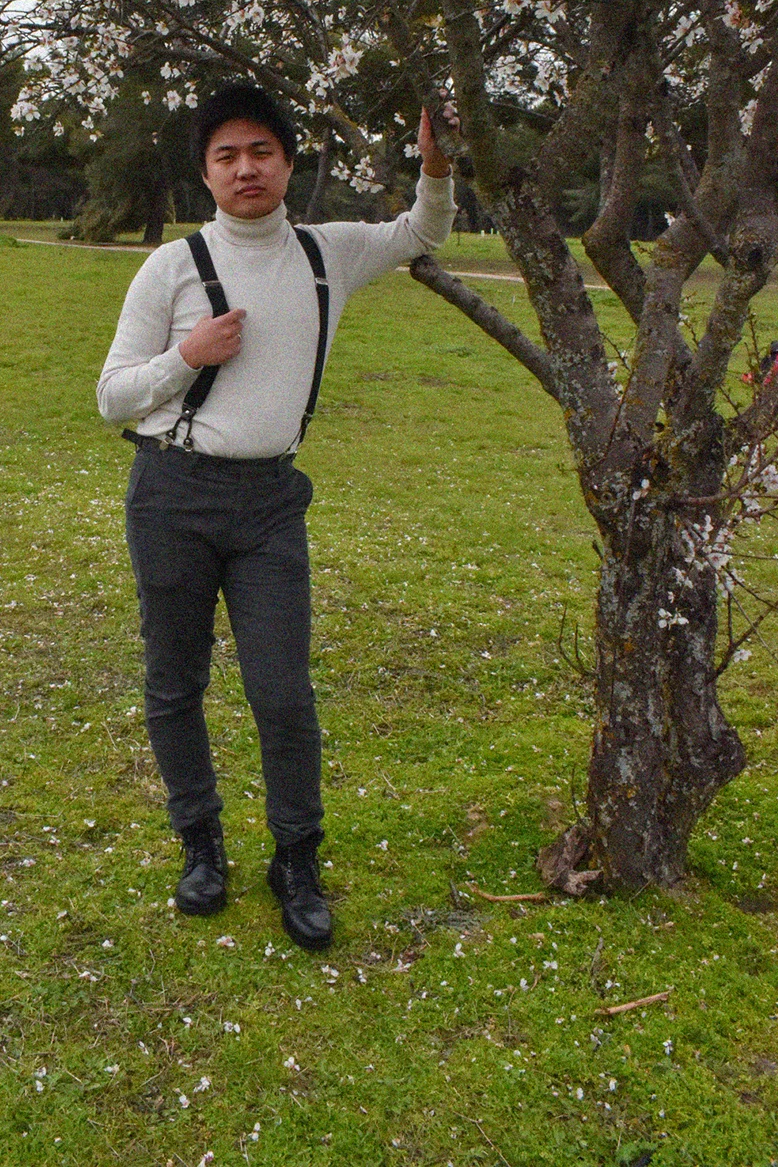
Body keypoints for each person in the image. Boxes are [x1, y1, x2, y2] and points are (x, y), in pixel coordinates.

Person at [97, 82, 458, 949]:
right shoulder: (172, 266)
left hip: (269, 506)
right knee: (174, 682)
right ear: (206, 173)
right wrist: (185, 358)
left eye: (262, 151)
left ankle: (296, 857)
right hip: (172, 496)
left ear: (290, 163)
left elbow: (423, 232)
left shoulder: (328, 253)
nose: (245, 168)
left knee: (282, 693)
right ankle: (201, 847)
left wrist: (436, 166)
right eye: (226, 155)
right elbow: (111, 397)